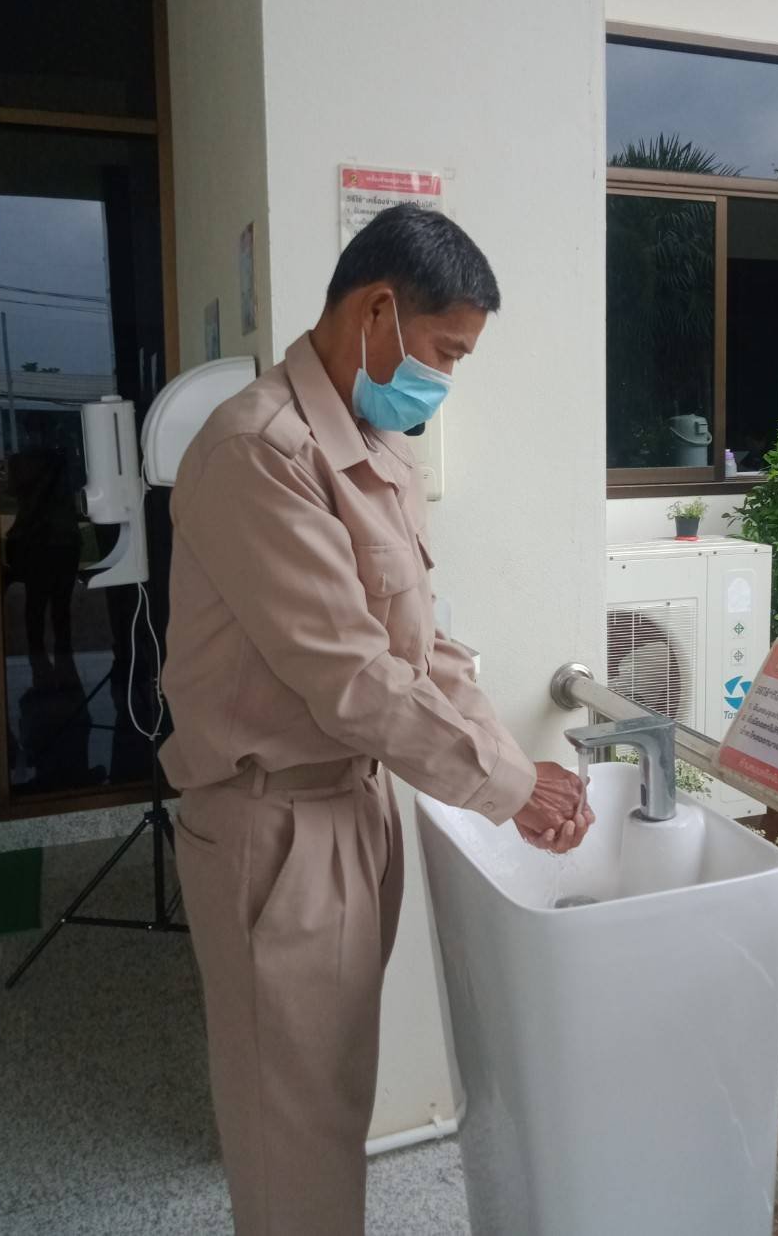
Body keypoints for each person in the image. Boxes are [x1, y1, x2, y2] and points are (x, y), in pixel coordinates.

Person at [160, 203, 592, 1236]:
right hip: (274, 825)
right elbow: (350, 673)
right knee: (293, 1135)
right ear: (378, 311)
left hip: (353, 808)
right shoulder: (259, 448)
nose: (444, 380)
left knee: (330, 1097)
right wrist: (508, 788)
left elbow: (421, 648)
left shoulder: (372, 442)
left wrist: (515, 768)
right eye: (445, 351)